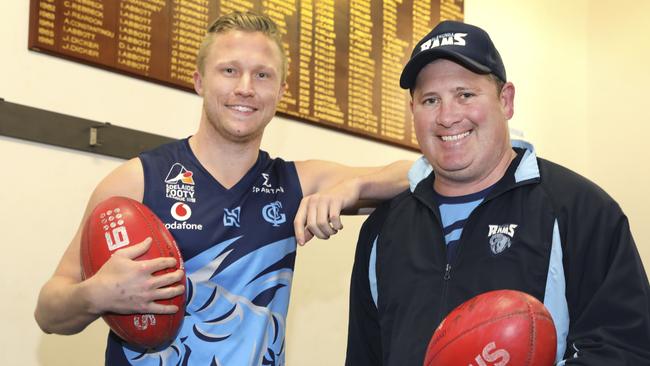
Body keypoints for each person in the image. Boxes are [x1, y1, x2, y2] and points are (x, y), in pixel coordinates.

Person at [34, 11, 410, 365]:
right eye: (229, 70)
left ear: (282, 89)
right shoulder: (136, 182)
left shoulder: (295, 183)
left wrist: (351, 186)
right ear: (199, 80)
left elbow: (416, 173)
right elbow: (48, 311)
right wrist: (95, 294)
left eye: (262, 75)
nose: (245, 88)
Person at [346, 20, 650, 365]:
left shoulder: (580, 210)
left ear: (505, 100)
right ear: (412, 110)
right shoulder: (383, 229)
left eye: (465, 94)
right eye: (430, 100)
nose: (447, 116)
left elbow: (628, 350)